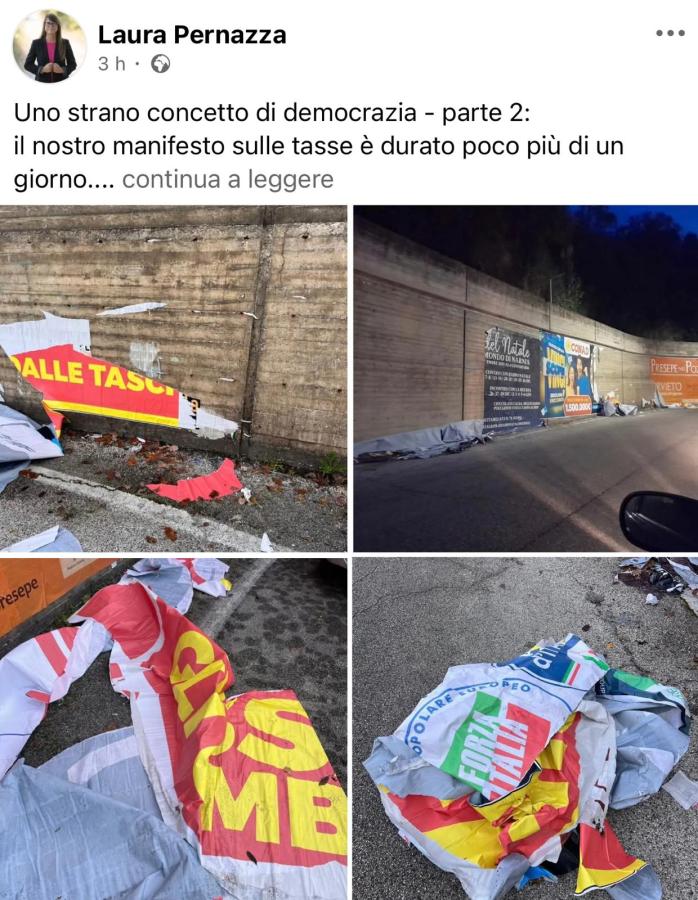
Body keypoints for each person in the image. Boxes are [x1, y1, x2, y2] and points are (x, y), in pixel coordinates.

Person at [24, 13, 76, 83]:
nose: (51, 26)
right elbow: (27, 65)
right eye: (48, 23)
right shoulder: (36, 43)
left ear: (58, 27)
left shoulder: (65, 43)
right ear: (44, 25)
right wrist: (42, 69)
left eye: (54, 23)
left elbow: (73, 64)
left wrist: (62, 70)